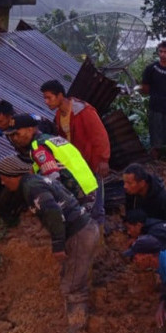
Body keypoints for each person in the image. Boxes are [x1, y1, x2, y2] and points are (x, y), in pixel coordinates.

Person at [0, 155, 100, 333]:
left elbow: (53, 211)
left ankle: (77, 330)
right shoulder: (35, 181)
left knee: (72, 285)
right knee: (71, 276)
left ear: (11, 176)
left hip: (80, 234)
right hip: (84, 229)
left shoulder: (31, 188)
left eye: (2, 179)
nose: (2, 183)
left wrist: (58, 244)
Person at [40, 79, 111, 225]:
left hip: (92, 161)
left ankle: (100, 236)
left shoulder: (83, 111)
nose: (46, 102)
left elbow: (99, 135)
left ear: (60, 95)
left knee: (97, 203)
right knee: (86, 200)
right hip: (78, 164)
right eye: (45, 98)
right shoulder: (59, 116)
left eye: (49, 97)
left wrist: (103, 159)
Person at [5, 114, 98, 201]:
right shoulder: (51, 138)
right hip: (89, 186)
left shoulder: (38, 145)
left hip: (78, 193)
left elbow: (53, 178)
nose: (15, 139)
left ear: (30, 129)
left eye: (16, 134)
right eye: (11, 136)